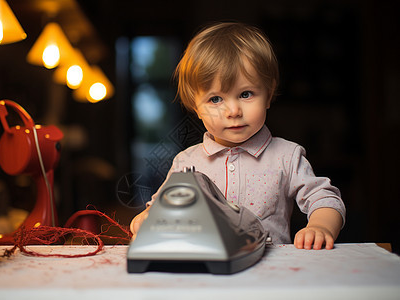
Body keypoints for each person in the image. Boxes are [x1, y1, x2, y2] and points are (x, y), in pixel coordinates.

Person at [130, 22, 345, 250]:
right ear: (196, 106)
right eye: (215, 99)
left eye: (245, 94)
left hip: (273, 274)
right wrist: (145, 219)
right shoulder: (185, 163)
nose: (233, 111)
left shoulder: (286, 156)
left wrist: (320, 226)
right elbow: (159, 210)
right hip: (209, 272)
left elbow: (325, 199)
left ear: (269, 94)